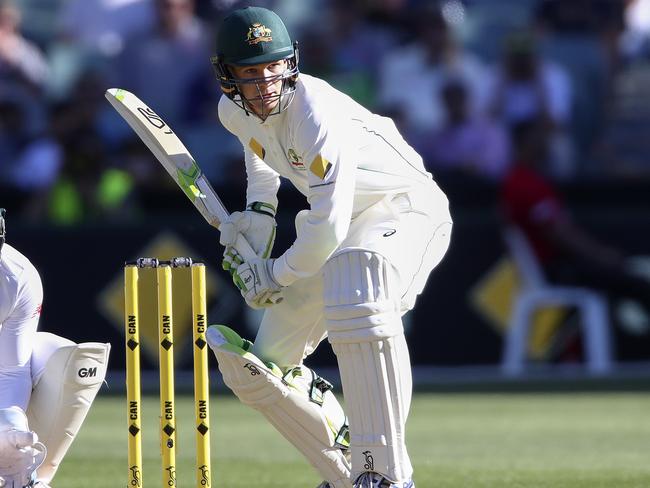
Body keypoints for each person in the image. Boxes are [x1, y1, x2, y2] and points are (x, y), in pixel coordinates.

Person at [204, 7, 452, 488]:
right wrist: (258, 216)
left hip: (403, 207)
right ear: (227, 76)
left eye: (273, 67)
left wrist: (274, 274)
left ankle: (384, 474)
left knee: (358, 281)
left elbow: (328, 228)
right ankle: (345, 473)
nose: (266, 83)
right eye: (250, 73)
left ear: (290, 62)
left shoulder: (315, 114)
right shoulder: (231, 111)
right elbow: (259, 158)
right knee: (261, 366)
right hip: (341, 227)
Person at [0, 209, 110, 487]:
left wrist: (10, 426)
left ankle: (28, 479)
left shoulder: (18, 277)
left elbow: (12, 369)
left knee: (77, 360)